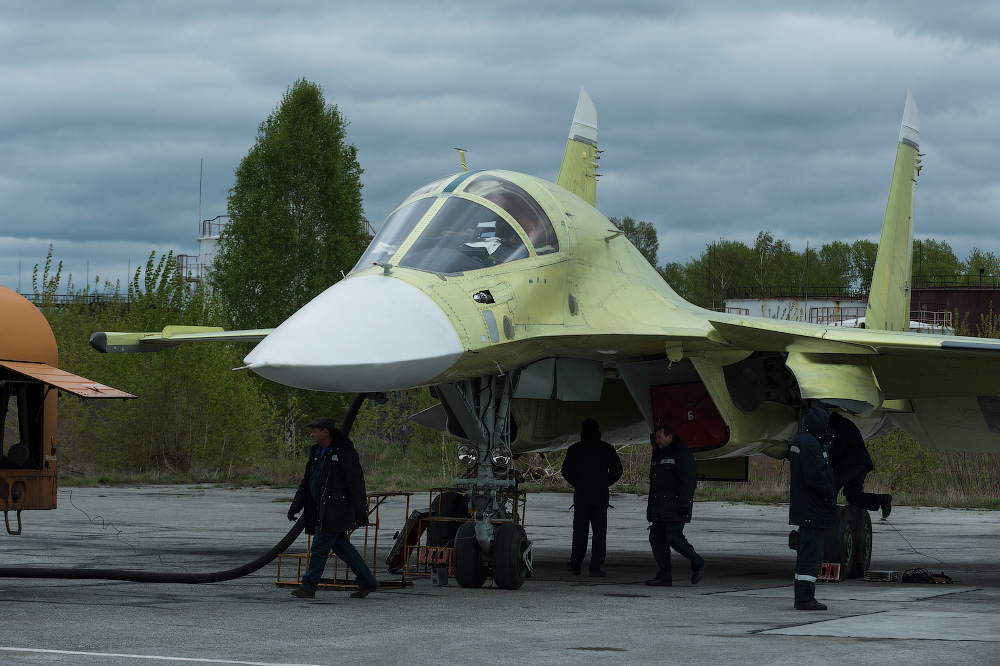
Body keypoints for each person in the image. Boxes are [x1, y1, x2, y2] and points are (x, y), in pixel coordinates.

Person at [287, 416, 378, 599]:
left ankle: (308, 586)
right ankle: (368, 582)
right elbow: (307, 482)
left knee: (319, 549)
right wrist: (295, 506)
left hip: (336, 511)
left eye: (314, 431)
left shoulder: (343, 452)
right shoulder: (316, 453)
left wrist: (361, 509)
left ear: (325, 432)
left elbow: (356, 482)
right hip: (322, 510)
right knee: (342, 547)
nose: (312, 435)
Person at [561, 418, 624, 577]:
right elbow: (617, 470)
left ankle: (575, 564)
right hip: (599, 497)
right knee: (599, 535)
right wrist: (605, 483)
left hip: (582, 497)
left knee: (580, 533)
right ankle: (595, 567)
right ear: (598, 431)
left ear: (582, 432)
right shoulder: (606, 448)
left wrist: (578, 483)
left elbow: (566, 471)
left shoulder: (574, 449)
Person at [788, 406, 837, 611]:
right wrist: (828, 496)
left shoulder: (802, 440)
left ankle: (803, 596)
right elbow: (816, 476)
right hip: (813, 510)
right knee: (811, 556)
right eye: (824, 424)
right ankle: (805, 598)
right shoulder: (810, 444)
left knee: (806, 554)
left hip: (806, 509)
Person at [645, 424, 705, 586]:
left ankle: (698, 562)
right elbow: (654, 486)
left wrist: (685, 504)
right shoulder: (657, 455)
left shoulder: (682, 453)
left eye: (659, 437)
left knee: (673, 537)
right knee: (656, 539)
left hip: (677, 506)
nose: (656, 441)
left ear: (669, 437)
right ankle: (664, 576)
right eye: (656, 438)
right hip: (660, 507)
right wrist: (650, 509)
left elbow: (688, 481)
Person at [827, 411, 892, 519]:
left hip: (853, 462)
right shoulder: (842, 423)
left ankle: (827, 515)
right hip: (861, 463)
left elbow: (835, 450)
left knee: (830, 485)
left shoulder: (836, 425)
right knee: (852, 495)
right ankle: (881, 499)